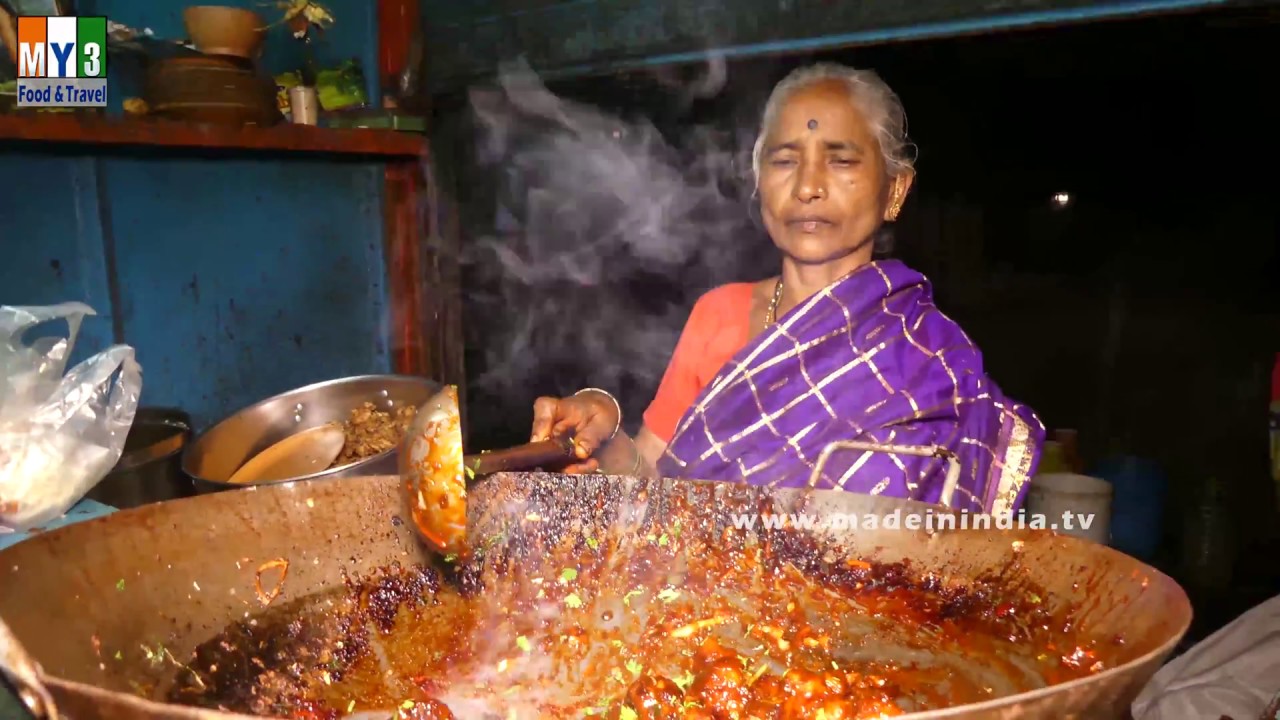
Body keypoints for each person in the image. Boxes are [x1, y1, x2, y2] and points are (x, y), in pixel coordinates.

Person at [530, 62, 1044, 515]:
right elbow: (653, 490)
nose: (807, 186)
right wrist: (602, 435)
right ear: (759, 182)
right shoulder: (720, 313)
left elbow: (950, 560)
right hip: (701, 615)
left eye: (841, 160)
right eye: (784, 160)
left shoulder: (926, 358)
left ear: (895, 189)